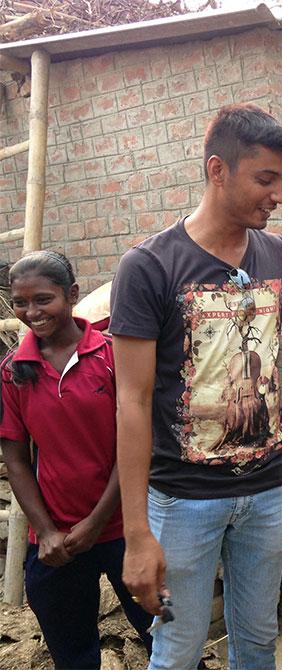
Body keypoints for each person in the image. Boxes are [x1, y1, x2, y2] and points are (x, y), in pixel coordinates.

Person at [109, 103, 282, 670]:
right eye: (265, 179)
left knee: (258, 645)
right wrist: (137, 535)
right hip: (182, 500)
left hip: (269, 492)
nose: (277, 195)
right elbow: (129, 402)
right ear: (217, 169)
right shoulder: (149, 267)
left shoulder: (277, 254)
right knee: (176, 651)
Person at [0, 251, 152, 669]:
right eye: (20, 302)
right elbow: (14, 457)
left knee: (170, 643)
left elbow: (136, 442)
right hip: (56, 545)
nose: (31, 312)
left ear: (71, 295)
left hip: (128, 530)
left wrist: (98, 521)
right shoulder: (15, 370)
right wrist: (45, 530)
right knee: (73, 656)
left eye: (43, 299)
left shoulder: (111, 355)